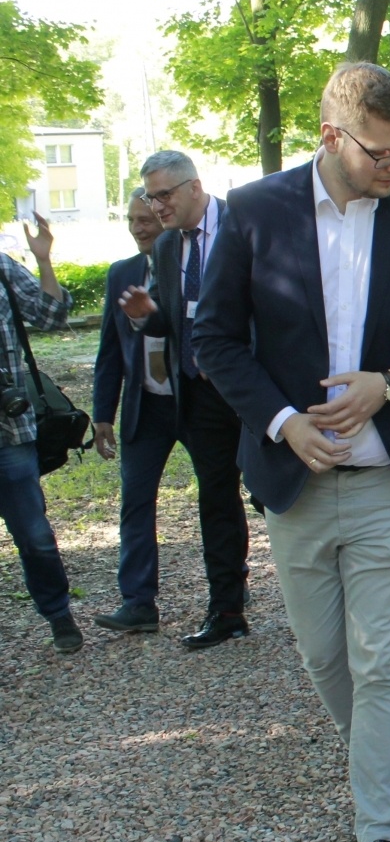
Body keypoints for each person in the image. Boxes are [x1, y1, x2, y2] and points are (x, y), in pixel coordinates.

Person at [192, 62, 390, 842]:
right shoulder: (253, 213)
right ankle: (375, 769)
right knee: (326, 655)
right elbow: (215, 340)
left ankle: (378, 834)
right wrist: (284, 421)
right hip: (294, 477)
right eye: (383, 154)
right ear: (332, 135)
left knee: (381, 660)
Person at [112, 150, 251, 648]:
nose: (157, 206)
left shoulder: (245, 222)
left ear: (195, 187)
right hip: (198, 390)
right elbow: (173, 323)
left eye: (164, 195)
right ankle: (227, 610)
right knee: (215, 498)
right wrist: (146, 316)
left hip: (254, 388)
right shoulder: (169, 247)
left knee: (280, 494)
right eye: (151, 196)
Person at [90, 191, 195, 641]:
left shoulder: (193, 266)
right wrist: (102, 415)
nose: (138, 227)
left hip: (194, 401)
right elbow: (109, 354)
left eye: (146, 218)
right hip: (144, 407)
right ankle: (137, 602)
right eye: (131, 220)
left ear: (165, 215)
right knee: (135, 502)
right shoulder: (121, 275)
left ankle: (232, 584)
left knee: (220, 493)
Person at [0, 215, 82, 653]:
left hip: (10, 433)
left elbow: (50, 316)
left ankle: (59, 614)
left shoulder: (1, 267)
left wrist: (43, 260)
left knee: (33, 536)